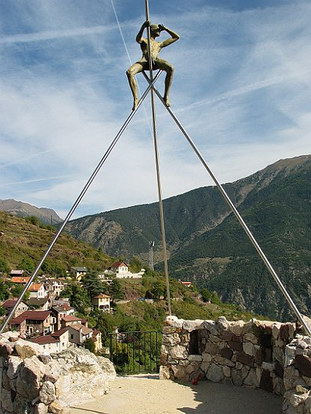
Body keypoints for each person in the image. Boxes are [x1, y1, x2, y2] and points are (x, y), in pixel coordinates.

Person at [126, 21, 180, 111]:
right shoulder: (144, 40)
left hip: (156, 62)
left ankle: (166, 96)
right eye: (158, 30)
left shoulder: (159, 44)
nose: (159, 31)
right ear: (151, 30)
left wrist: (166, 29)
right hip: (144, 62)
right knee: (129, 72)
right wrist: (143, 26)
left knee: (171, 68)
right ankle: (136, 99)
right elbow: (138, 39)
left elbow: (176, 37)